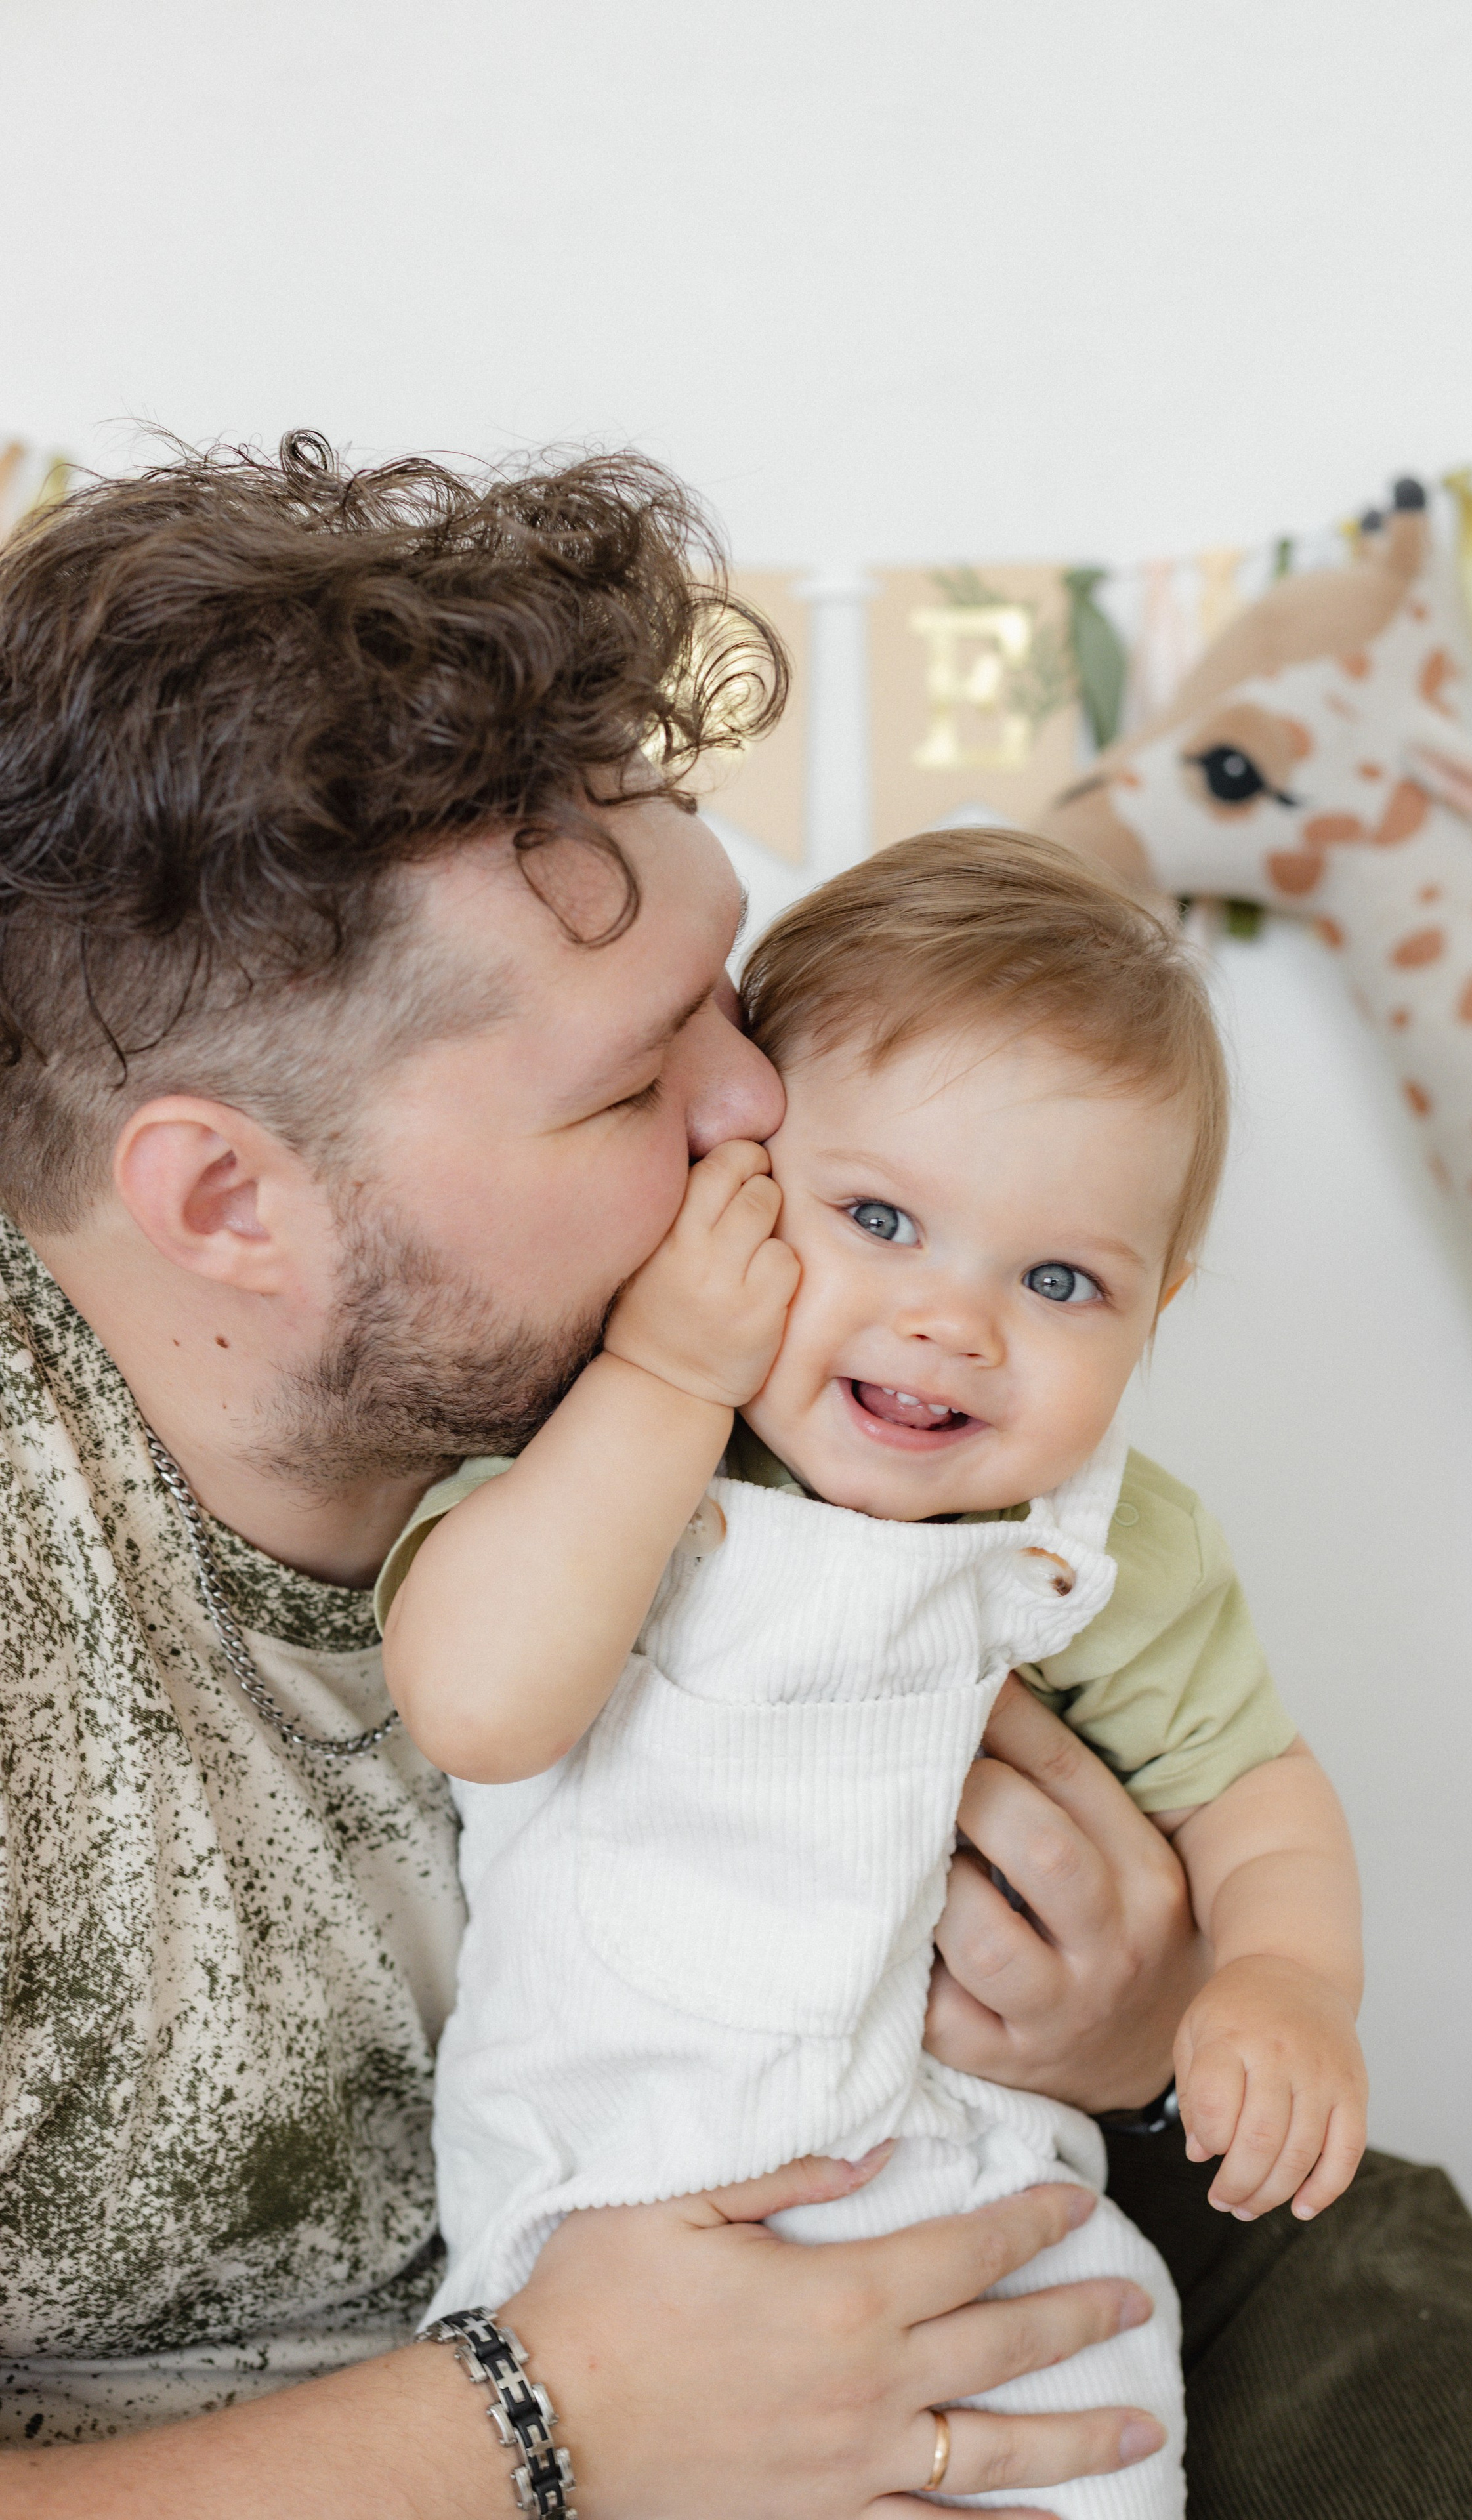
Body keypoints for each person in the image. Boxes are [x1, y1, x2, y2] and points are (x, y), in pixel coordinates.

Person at [0, 436, 1472, 2520]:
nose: (761, 1102)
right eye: (636, 1069)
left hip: (889, 2173)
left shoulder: (776, 1380)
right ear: (230, 1196)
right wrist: (542, 2427)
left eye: (730, 993)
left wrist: (1141, 2027)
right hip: (348, 2436)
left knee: (1362, 2238)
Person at [374, 829, 1369, 2517]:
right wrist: (665, 1370)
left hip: (980, 2215)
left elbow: (1255, 1794)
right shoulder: (616, 1457)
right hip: (606, 2218)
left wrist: (1282, 1984)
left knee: (1096, 2456)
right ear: (732, 1193)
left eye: (1059, 1280)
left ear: (1154, 1314)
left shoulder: (1103, 1542)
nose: (951, 1319)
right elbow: (480, 1703)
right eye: (879, 1217)